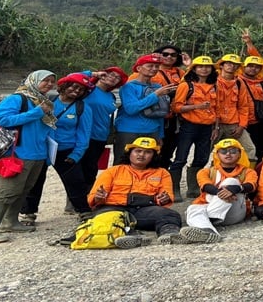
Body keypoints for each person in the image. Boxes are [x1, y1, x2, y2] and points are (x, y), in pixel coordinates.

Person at [0, 70, 56, 244]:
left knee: (24, 189)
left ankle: (11, 222)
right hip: (17, 154)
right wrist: (36, 112)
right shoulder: (17, 99)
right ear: (34, 81)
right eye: (46, 80)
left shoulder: (44, 102)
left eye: (53, 81)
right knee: (6, 192)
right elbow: (2, 120)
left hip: (37, 154)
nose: (50, 84)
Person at [21, 72, 95, 225]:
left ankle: (83, 211)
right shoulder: (47, 101)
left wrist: (76, 154)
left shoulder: (82, 108)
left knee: (75, 182)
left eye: (81, 90)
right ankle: (29, 213)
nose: (76, 91)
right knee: (35, 181)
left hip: (66, 151)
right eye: (74, 86)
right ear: (64, 86)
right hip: (42, 149)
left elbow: (84, 134)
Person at [87, 137, 182, 247]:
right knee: (107, 219)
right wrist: (99, 197)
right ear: (129, 153)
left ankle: (169, 235)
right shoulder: (113, 171)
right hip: (114, 209)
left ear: (154, 156)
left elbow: (167, 197)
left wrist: (164, 199)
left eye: (147, 152)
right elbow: (93, 198)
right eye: (138, 151)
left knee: (170, 215)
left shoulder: (162, 173)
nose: (141, 155)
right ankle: (134, 237)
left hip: (143, 210)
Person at [179, 138, 258, 243]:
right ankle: (209, 232)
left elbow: (252, 185)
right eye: (224, 151)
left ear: (240, 154)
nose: (228, 154)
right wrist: (226, 193)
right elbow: (206, 186)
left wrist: (236, 188)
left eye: (233, 151)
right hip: (210, 206)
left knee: (231, 182)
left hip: (235, 210)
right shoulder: (205, 172)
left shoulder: (248, 172)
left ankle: (205, 221)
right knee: (193, 208)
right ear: (217, 154)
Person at [114, 54, 177, 164]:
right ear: (139, 68)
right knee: (123, 162)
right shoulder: (129, 87)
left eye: (156, 66)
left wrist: (160, 135)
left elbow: (160, 113)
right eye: (150, 66)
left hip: (152, 131)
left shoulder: (157, 87)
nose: (154, 69)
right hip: (129, 130)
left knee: (149, 163)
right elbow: (131, 109)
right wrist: (155, 95)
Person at [170, 56, 218, 199]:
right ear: (194, 69)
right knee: (181, 157)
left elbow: (217, 108)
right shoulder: (186, 85)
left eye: (208, 66)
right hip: (189, 126)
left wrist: (216, 127)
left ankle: (193, 188)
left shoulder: (215, 86)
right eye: (200, 66)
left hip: (207, 127)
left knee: (202, 158)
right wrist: (197, 106)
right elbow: (176, 107)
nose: (204, 69)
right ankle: (175, 189)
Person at [79, 66, 126, 199]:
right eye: (111, 74)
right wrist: (92, 73)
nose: (113, 78)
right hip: (83, 134)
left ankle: (89, 198)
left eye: (117, 78)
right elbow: (72, 78)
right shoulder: (87, 89)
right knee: (79, 169)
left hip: (100, 136)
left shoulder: (111, 96)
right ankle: (75, 202)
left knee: (91, 169)